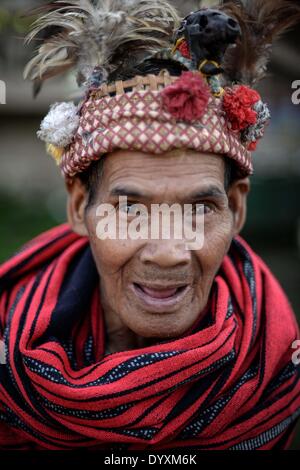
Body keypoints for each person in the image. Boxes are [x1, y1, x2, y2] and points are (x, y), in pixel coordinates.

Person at [0, 0, 299, 451]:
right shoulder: (9, 355)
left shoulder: (275, 370)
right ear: (80, 206)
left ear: (236, 211)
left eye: (199, 210)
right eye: (130, 210)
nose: (167, 251)